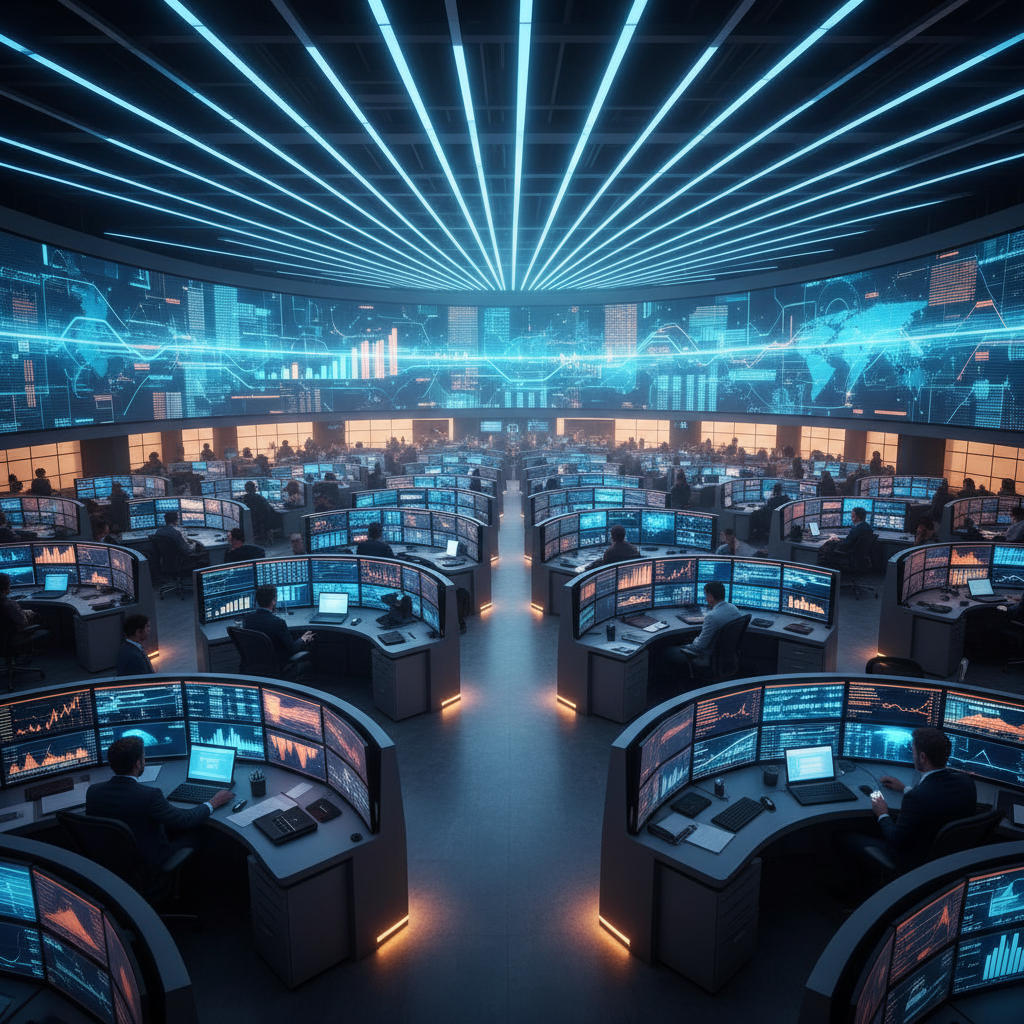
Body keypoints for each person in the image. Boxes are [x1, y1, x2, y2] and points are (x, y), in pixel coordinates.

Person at [85, 736, 233, 871]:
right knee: (202, 834)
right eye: (143, 757)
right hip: (148, 864)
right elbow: (185, 820)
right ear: (138, 763)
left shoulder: (93, 792)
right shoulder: (149, 796)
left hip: (112, 865)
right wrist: (213, 802)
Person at [860, 728, 977, 873]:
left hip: (914, 862)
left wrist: (882, 813)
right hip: (948, 859)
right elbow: (936, 800)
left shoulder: (915, 798)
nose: (912, 755)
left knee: (843, 838)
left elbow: (895, 838)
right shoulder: (967, 782)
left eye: (913, 751)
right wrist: (904, 788)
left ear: (922, 757)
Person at [668, 581, 743, 674]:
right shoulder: (734, 609)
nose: (706, 598)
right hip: (727, 658)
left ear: (711, 597)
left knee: (666, 652)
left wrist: (691, 641)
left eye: (706, 595)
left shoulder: (712, 617)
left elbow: (700, 646)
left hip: (706, 659)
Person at [242, 584, 314, 665]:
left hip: (255, 665)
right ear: (273, 601)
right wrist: (303, 639)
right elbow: (292, 649)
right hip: (277, 666)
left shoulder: (247, 620)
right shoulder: (278, 623)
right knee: (308, 662)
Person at [0, 572, 48, 639]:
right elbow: (23, 623)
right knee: (40, 616)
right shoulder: (9, 604)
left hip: (4, 637)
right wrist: (29, 614)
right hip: (13, 635)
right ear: (6, 588)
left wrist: (24, 612)